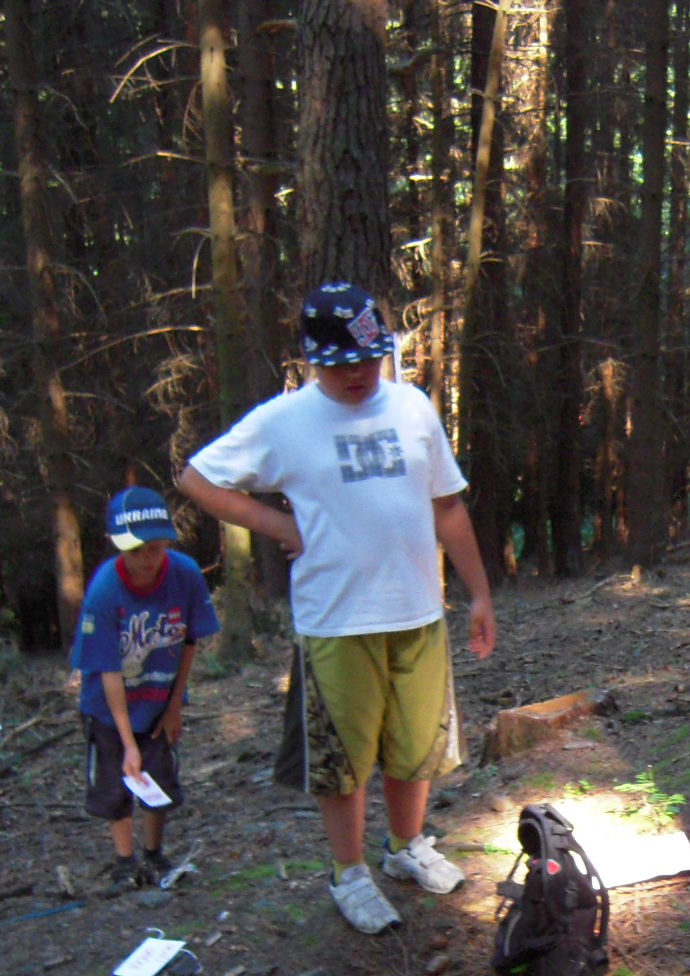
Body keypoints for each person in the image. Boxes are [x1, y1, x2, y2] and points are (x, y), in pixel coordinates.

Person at [177, 281, 496, 935]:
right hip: (337, 619)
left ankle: (406, 847)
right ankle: (349, 872)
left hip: (416, 610)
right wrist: (278, 526)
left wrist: (480, 593)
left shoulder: (411, 407)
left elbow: (447, 505)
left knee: (415, 746)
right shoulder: (285, 421)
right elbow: (197, 478)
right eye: (339, 363)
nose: (356, 374)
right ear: (312, 360)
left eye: (367, 359)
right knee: (341, 759)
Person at [71, 487, 220, 893]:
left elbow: (189, 640)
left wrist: (175, 706)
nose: (147, 559)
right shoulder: (105, 590)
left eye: (156, 548)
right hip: (109, 707)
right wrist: (126, 742)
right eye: (136, 551)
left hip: (158, 698)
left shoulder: (185, 574)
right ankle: (124, 862)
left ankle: (154, 853)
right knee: (115, 782)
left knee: (160, 780)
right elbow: (107, 669)